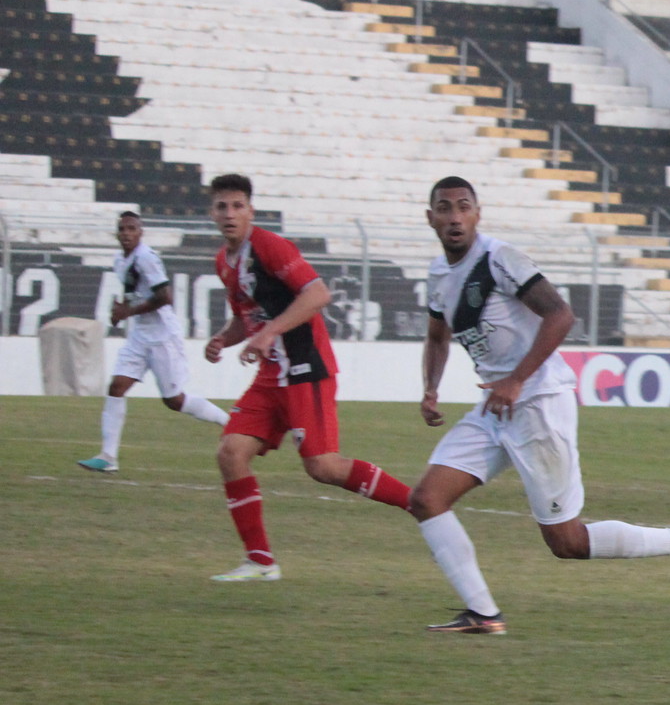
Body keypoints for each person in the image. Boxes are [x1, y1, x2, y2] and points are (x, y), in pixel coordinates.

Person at [407, 177, 670, 634]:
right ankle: (484, 614)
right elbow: (437, 336)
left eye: (463, 207)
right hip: (495, 409)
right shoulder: (439, 274)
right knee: (427, 499)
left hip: (539, 404)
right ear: (430, 217)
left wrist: (516, 379)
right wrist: (430, 389)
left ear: (477, 214)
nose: (454, 216)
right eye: (444, 208)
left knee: (566, 541)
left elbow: (561, 315)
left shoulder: (499, 259)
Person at [201, 175, 416, 582]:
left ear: (251, 210)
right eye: (221, 207)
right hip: (271, 374)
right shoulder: (223, 262)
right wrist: (223, 340)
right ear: (211, 213)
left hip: (305, 367)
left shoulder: (268, 246)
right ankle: (261, 562)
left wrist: (268, 333)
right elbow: (246, 319)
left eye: (237, 206)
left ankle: (418, 502)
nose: (229, 214)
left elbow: (318, 294)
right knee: (230, 452)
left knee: (323, 467)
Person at [76, 211, 231, 472]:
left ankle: (230, 422)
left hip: (162, 338)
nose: (126, 233)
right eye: (122, 229)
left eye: (131, 228)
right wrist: (121, 310)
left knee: (174, 400)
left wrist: (129, 312)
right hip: (140, 337)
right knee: (116, 387)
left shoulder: (147, 258)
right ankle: (108, 457)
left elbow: (164, 297)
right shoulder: (120, 259)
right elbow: (131, 291)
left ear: (140, 232)